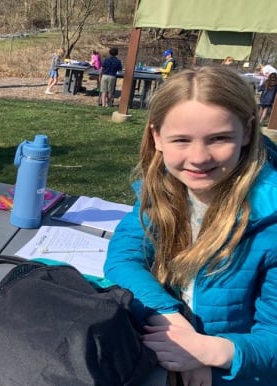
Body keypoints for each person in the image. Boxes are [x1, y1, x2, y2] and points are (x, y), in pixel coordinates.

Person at [104, 66, 277, 385]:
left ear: (247, 132)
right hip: (164, 352)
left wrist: (209, 352)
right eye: (181, 140)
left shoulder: (270, 222)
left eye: (219, 138)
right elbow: (123, 258)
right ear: (157, 137)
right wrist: (170, 320)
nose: (198, 158)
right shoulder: (162, 191)